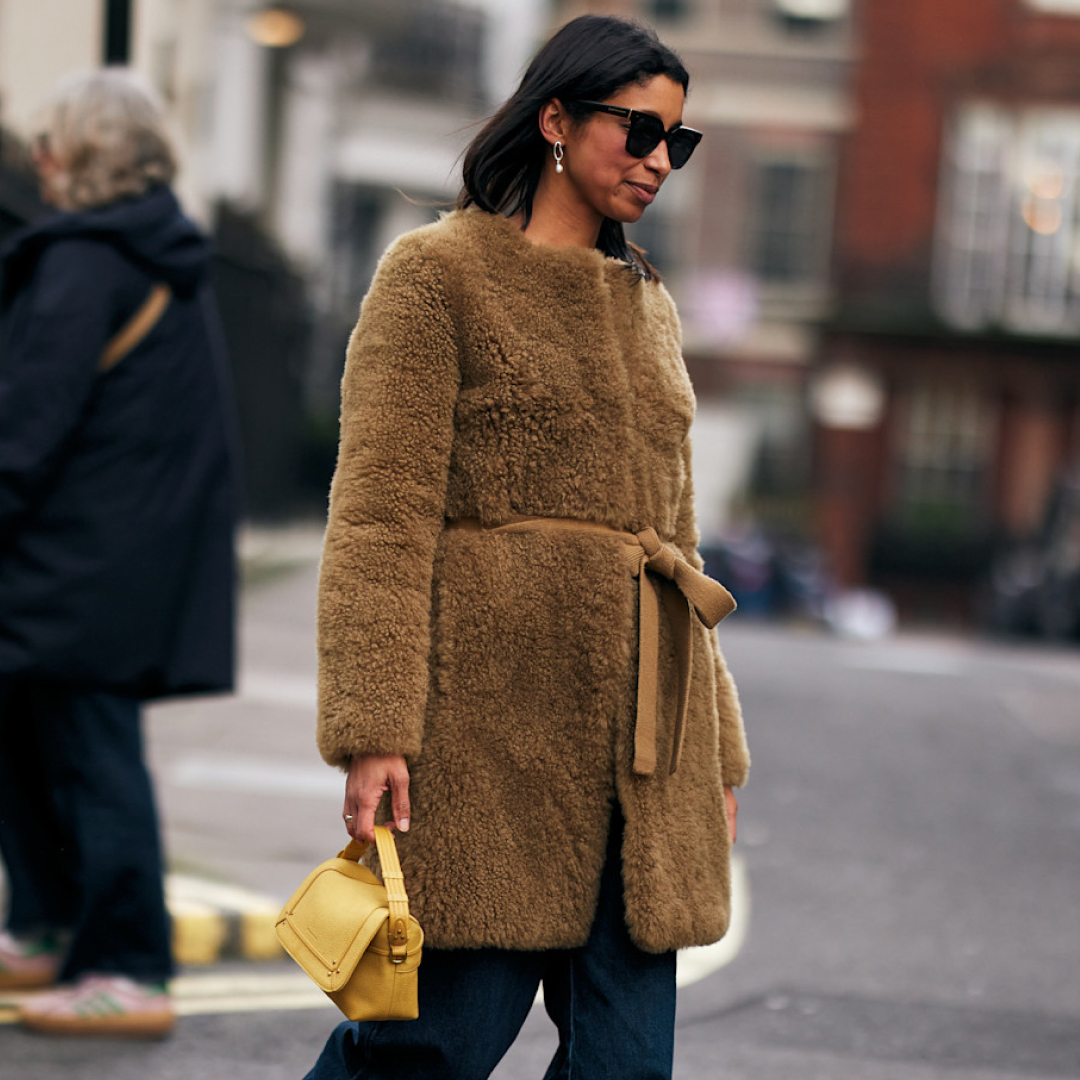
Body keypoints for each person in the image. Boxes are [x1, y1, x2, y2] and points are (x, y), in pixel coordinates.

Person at [307, 15, 750, 1080]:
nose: (656, 160)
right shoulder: (436, 277)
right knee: (429, 1056)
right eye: (638, 130)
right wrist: (374, 728)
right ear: (554, 118)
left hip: (643, 764)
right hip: (488, 744)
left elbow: (679, 549)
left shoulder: (651, 306)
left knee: (627, 1070)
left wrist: (719, 753)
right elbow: (379, 517)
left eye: (676, 144)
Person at [0, 68, 238, 1038]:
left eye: (50, 143)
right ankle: (54, 926)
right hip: (120, 552)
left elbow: (22, 427)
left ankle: (129, 966)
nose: (40, 161)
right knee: (36, 737)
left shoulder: (86, 262)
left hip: (78, 560)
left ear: (80, 152)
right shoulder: (151, 252)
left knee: (91, 757)